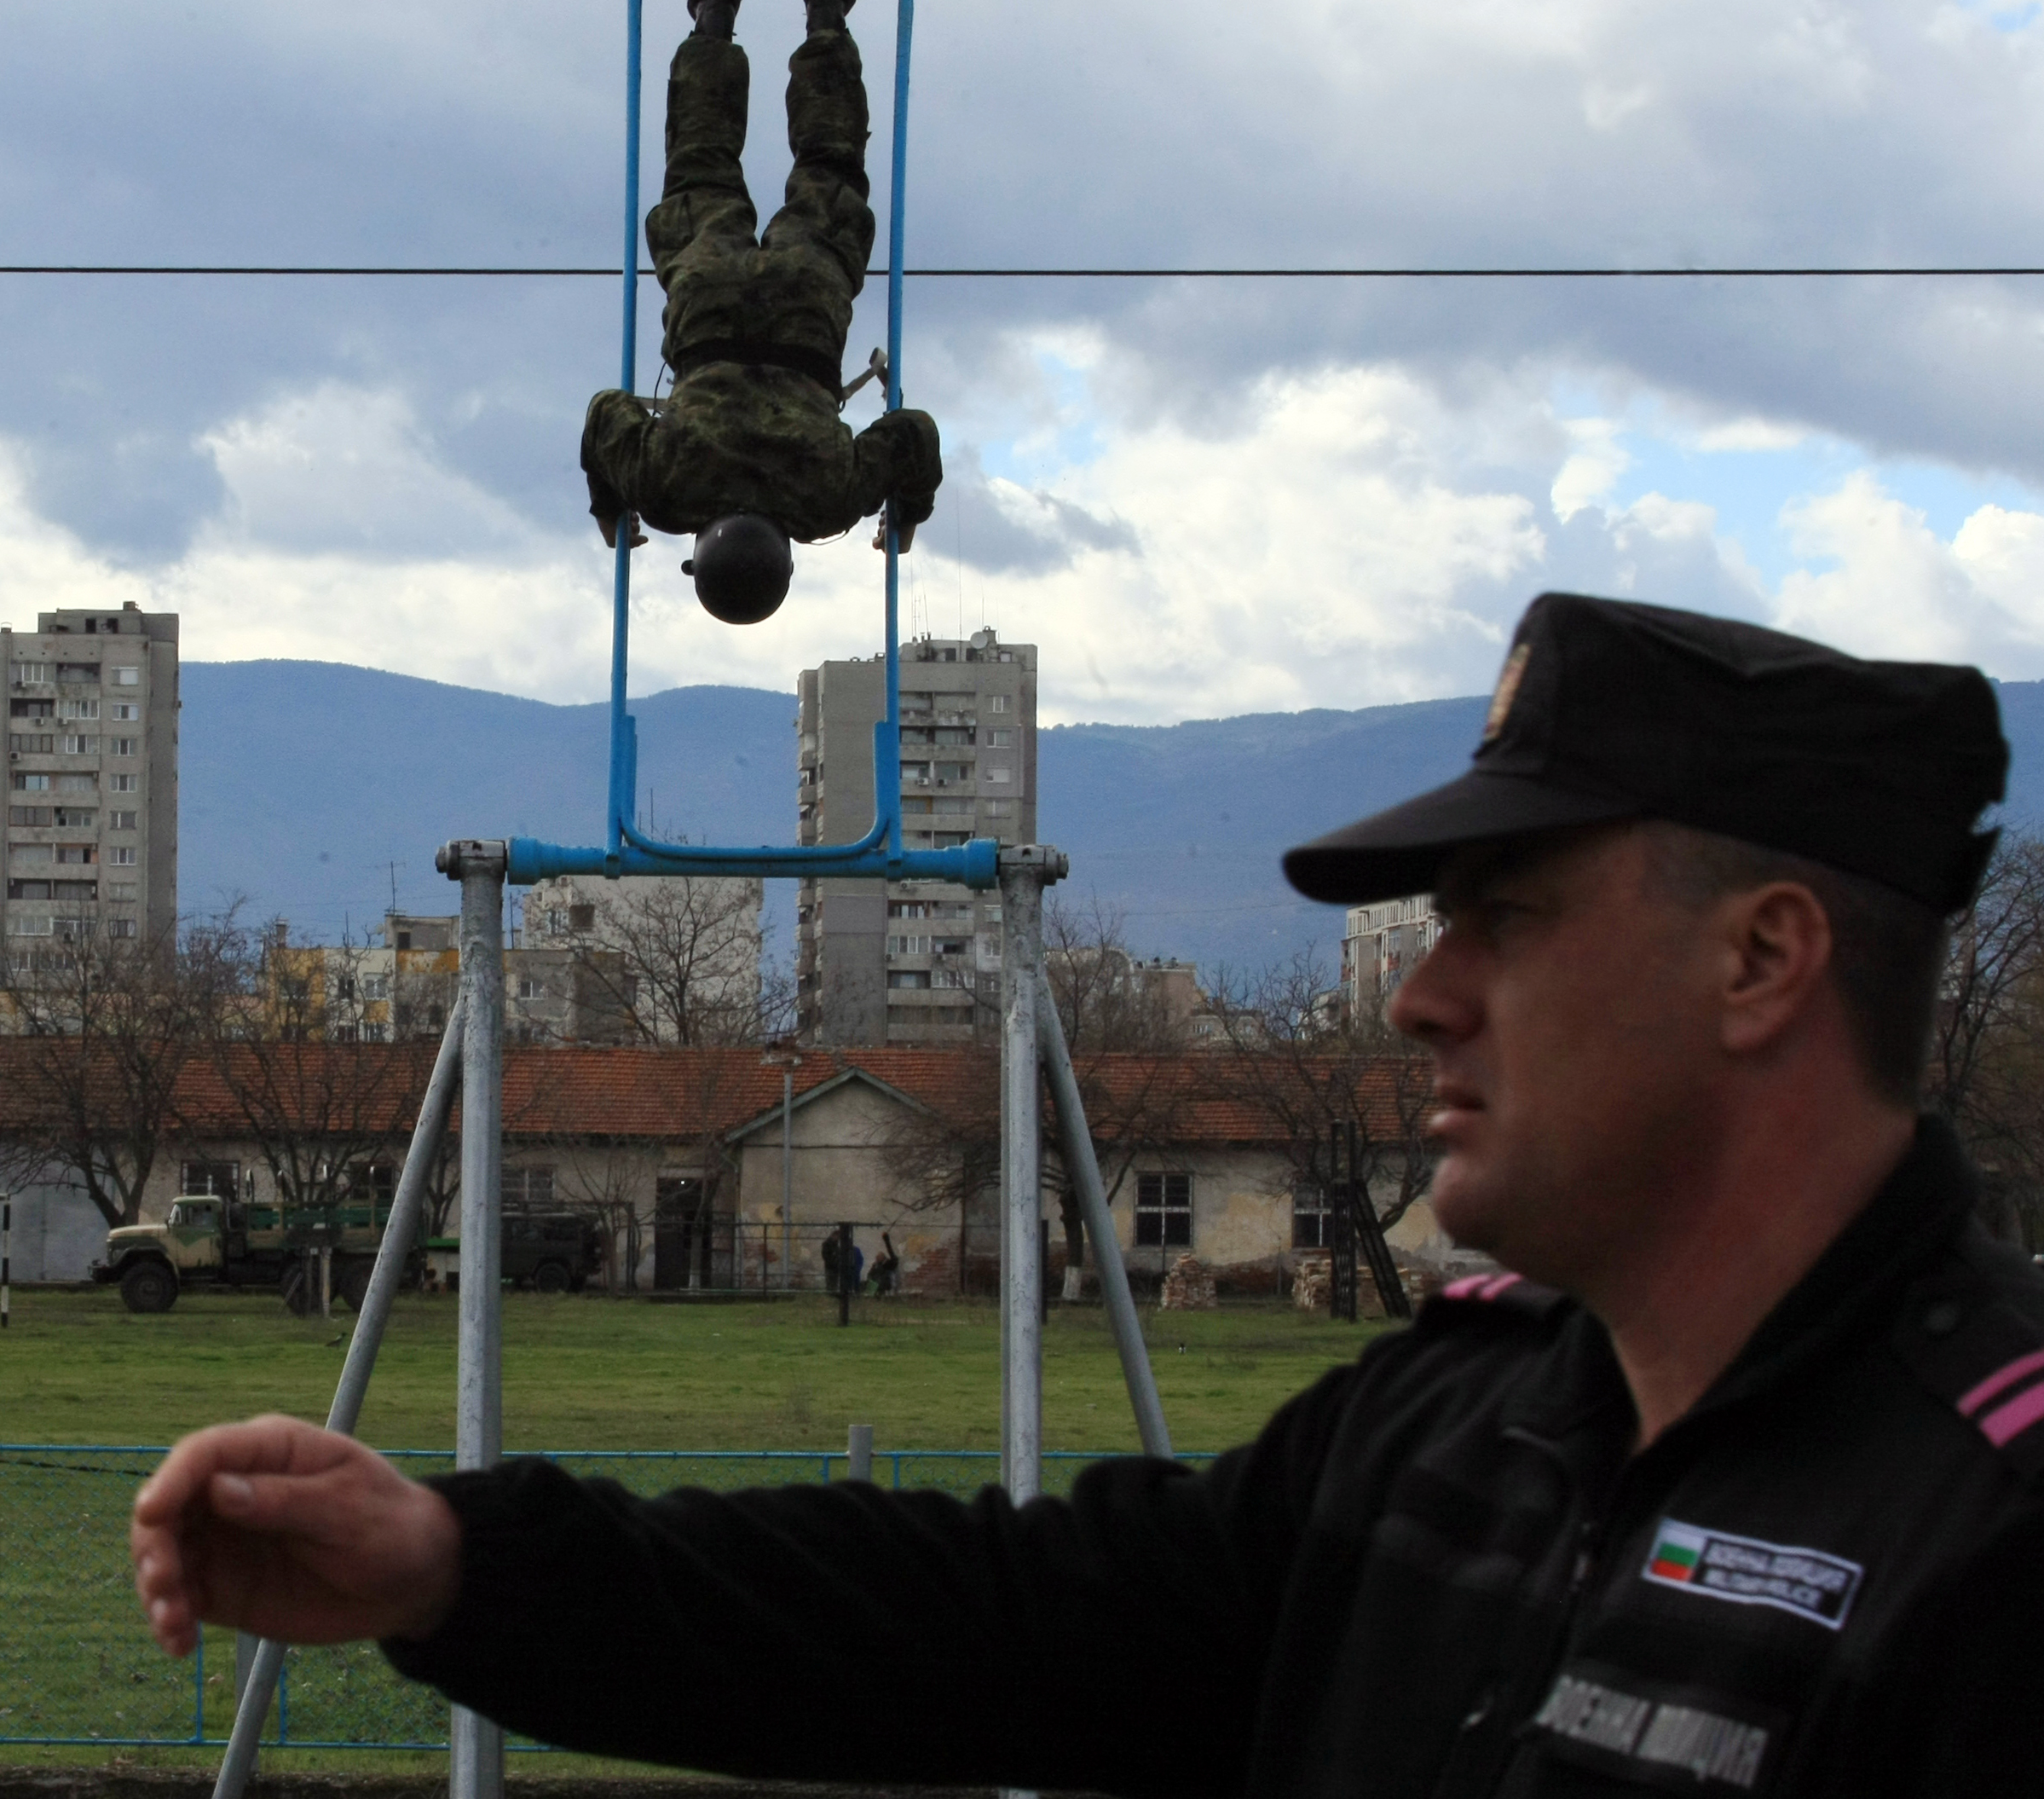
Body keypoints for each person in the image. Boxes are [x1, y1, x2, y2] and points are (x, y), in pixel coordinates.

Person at [128, 593, 2043, 1796]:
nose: (1430, 996)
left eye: (1508, 921)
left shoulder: (1988, 1532)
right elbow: (1007, 1626)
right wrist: (460, 1567)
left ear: (1762, 962)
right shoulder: (1456, 1422)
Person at [580, 0, 944, 625]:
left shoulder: (824, 500)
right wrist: (610, 505)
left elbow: (914, 435)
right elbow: (604, 414)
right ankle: (712, 1)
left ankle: (827, 2)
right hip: (707, 307)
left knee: (829, 166)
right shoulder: (667, 491)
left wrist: (905, 518)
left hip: (807, 306)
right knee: (699, 163)